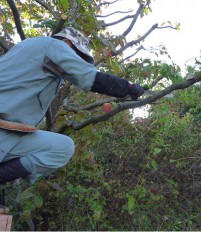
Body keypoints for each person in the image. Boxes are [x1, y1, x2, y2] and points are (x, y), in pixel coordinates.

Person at [0, 27, 145, 212]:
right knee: (61, 149)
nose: (77, 61)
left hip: (7, 130)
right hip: (4, 129)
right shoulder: (53, 45)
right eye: (77, 55)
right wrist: (129, 87)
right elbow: (92, 78)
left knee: (59, 146)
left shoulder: (26, 49)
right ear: (67, 43)